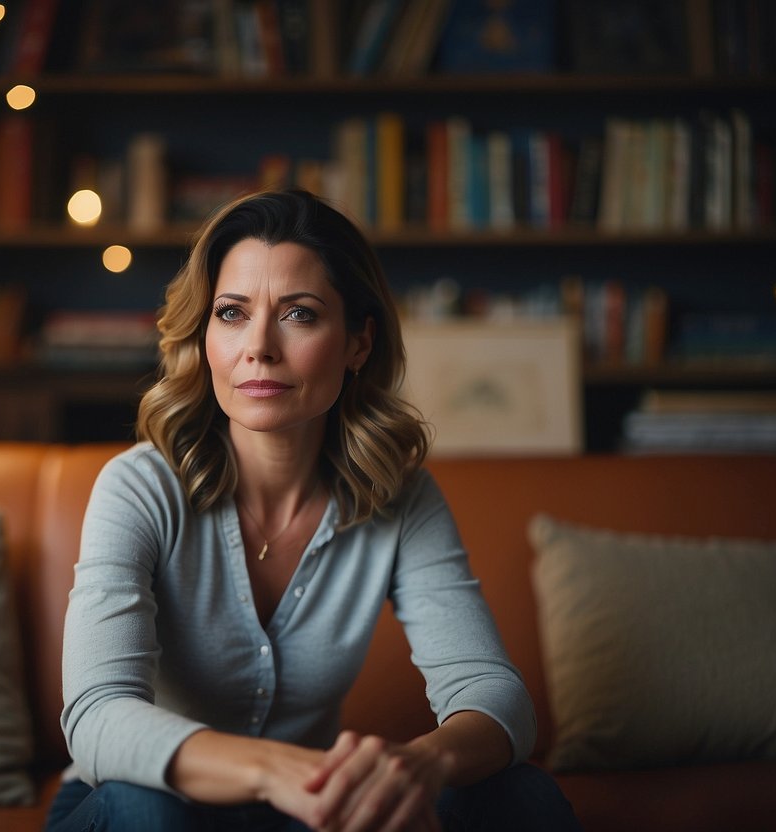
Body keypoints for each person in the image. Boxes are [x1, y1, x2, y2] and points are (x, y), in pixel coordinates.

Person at [48, 190, 581, 832]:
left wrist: (418, 765)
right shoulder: (139, 489)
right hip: (145, 805)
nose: (260, 348)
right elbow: (98, 716)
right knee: (147, 809)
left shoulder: (400, 496)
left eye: (299, 315)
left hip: (305, 807)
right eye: (232, 313)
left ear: (358, 342)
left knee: (520, 795)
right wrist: (275, 770)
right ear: (205, 332)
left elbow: (497, 699)